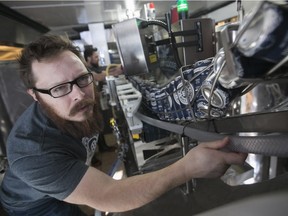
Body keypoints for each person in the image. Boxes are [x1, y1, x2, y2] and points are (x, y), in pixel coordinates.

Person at [0, 34, 247, 216]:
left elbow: (95, 77)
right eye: (59, 88)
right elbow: (108, 196)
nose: (79, 95)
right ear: (35, 95)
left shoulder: (83, 94)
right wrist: (188, 168)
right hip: (34, 207)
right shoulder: (32, 151)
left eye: (81, 78)